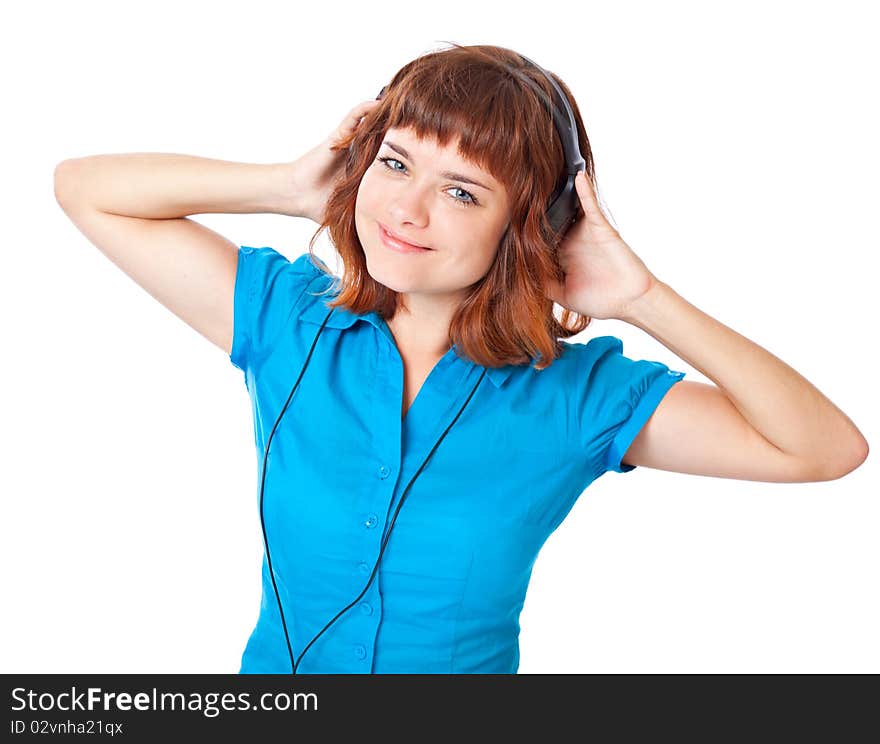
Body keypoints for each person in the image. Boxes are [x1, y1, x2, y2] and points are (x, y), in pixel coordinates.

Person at [54, 43, 868, 674]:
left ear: (528, 227)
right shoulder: (291, 322)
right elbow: (83, 186)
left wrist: (641, 298)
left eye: (461, 191)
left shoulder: (578, 396)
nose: (406, 209)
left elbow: (825, 449)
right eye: (396, 163)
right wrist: (291, 187)